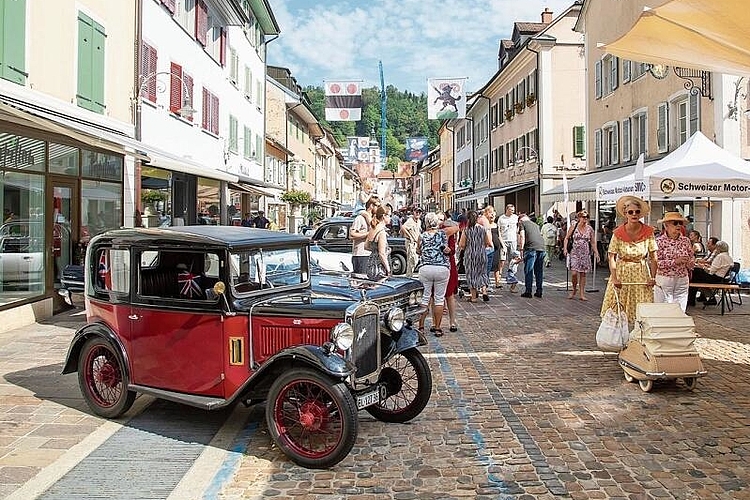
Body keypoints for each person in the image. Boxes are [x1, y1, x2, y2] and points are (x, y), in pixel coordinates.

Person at [600, 195, 658, 324]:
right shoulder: (618, 233)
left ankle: (640, 337)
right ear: (625, 214)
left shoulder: (648, 232)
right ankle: (619, 337)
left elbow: (654, 257)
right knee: (617, 306)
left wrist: (653, 277)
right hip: (622, 271)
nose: (634, 214)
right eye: (630, 212)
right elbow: (611, 256)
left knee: (643, 307)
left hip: (641, 272)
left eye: (637, 212)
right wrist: (614, 277)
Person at [416, 212, 459, 336]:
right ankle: (438, 328)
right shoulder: (443, 233)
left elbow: (418, 251)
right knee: (439, 299)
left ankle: (421, 326)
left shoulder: (422, 235)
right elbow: (457, 227)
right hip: (441, 268)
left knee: (425, 298)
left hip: (426, 268)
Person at [654, 212, 695, 312]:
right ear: (666, 225)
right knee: (664, 308)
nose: (678, 226)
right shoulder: (658, 241)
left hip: (682, 278)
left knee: (680, 307)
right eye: (675, 223)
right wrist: (675, 262)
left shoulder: (686, 240)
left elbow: (691, 255)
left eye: (680, 223)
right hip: (665, 278)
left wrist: (690, 262)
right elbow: (656, 263)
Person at [563, 210, 599, 301]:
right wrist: (565, 248)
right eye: (583, 217)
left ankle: (582, 293)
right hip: (575, 253)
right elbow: (566, 238)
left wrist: (596, 252)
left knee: (583, 274)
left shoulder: (589, 229)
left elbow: (593, 242)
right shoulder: (573, 227)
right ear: (579, 218)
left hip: (585, 253)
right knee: (574, 273)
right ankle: (574, 289)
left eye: (587, 217)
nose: (585, 219)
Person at [687, 240, 734, 307]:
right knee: (697, 277)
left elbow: (711, 272)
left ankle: (692, 300)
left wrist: (703, 267)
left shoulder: (720, 256)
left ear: (718, 248)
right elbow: (717, 268)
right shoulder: (728, 256)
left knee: (696, 272)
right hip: (722, 278)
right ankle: (695, 299)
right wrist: (707, 267)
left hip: (716, 279)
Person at [458, 210, 491, 302]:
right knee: (482, 273)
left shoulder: (466, 230)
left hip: (470, 255)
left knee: (472, 275)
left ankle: (473, 297)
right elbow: (488, 242)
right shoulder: (482, 228)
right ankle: (484, 291)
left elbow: (462, 244)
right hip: (481, 254)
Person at [517, 213, 546, 298]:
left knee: (528, 270)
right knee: (539, 271)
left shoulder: (522, 223)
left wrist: (521, 249)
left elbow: (522, 236)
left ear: (520, 220)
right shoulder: (535, 225)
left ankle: (528, 291)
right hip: (541, 247)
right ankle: (539, 291)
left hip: (531, 248)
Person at [441, 210, 460, 332]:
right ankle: (449, 322)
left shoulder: (428, 234)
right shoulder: (449, 231)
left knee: (447, 294)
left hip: (445, 263)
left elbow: (452, 249)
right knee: (446, 295)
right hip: (446, 264)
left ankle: (439, 323)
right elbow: (452, 249)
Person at [350, 196, 379, 274]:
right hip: (361, 254)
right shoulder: (360, 218)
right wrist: (368, 234)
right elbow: (352, 235)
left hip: (371, 254)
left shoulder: (374, 219)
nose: (378, 208)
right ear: (371, 206)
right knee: (361, 281)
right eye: (377, 206)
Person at [497, 204, 519, 292]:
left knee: (513, 261)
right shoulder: (501, 218)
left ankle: (512, 284)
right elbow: (499, 230)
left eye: (513, 210)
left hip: (513, 240)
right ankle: (498, 280)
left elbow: (518, 228)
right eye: (511, 210)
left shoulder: (515, 217)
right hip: (504, 241)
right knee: (502, 261)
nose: (512, 212)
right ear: (507, 210)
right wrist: (501, 242)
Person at [365, 206, 391, 279]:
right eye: (389, 215)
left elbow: (366, 246)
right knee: (380, 288)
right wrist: (388, 269)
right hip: (379, 266)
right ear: (383, 216)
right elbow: (382, 253)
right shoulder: (381, 232)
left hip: (371, 263)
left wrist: (375, 250)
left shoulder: (373, 228)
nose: (390, 218)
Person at [401, 208, 423, 276]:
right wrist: (410, 236)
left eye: (419, 212)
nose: (418, 213)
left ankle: (410, 274)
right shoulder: (410, 220)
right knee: (412, 259)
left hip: (416, 242)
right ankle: (409, 275)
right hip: (411, 242)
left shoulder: (419, 221)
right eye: (416, 212)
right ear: (414, 212)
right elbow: (403, 228)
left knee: (415, 260)